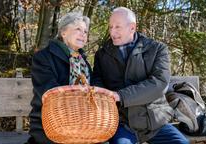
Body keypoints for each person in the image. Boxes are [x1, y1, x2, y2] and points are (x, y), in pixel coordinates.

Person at [92, 7, 189, 144]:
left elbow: (159, 83)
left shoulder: (157, 49)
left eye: (118, 27)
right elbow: (97, 79)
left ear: (132, 28)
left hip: (155, 121)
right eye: (110, 27)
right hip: (122, 123)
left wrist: (120, 95)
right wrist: (104, 98)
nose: (112, 32)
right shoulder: (102, 55)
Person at [28, 12, 91, 144]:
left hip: (82, 123)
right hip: (49, 123)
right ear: (63, 32)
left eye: (85, 31)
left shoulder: (83, 61)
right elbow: (49, 91)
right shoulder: (44, 57)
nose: (83, 34)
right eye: (78, 29)